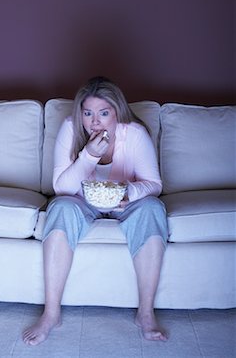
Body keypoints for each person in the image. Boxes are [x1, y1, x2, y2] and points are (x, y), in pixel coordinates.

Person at [23, 76, 168, 345]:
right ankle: (51, 313)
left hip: (126, 201)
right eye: (88, 113)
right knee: (60, 208)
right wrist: (88, 155)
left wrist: (129, 192)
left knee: (152, 209)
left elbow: (154, 185)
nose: (95, 122)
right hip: (81, 201)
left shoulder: (134, 134)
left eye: (103, 113)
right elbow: (62, 188)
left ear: (117, 112)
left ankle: (145, 314)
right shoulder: (70, 129)